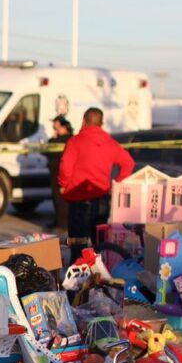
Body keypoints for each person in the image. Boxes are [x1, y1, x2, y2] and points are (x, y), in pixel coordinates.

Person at [59, 107, 134, 261]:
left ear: (83, 121)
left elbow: (65, 167)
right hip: (101, 199)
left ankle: (77, 275)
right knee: (98, 244)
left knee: (78, 243)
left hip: (78, 200)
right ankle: (98, 275)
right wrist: (116, 185)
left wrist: (63, 184)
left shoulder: (75, 142)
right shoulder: (110, 143)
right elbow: (128, 163)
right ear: (102, 123)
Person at [46, 115, 74, 231]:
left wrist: (53, 139)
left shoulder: (66, 139)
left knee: (61, 199)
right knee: (55, 198)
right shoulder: (58, 138)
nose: (54, 128)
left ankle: (62, 224)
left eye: (56, 125)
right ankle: (58, 221)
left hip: (62, 172)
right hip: (54, 171)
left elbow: (51, 148)